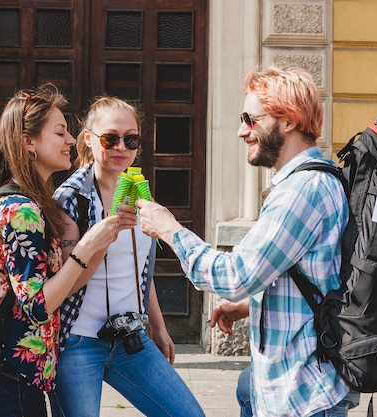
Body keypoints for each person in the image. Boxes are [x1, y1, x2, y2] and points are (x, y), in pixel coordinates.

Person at [136, 66, 360, 417]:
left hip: (301, 397)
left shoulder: (303, 190)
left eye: (250, 119)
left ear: (288, 121)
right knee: (246, 388)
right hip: (293, 389)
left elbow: (235, 277)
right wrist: (249, 305)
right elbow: (311, 273)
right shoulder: (310, 181)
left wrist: (170, 230)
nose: (242, 131)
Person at [0, 84, 136, 417]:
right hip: (6, 376)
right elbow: (37, 307)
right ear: (29, 143)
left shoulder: (31, 205)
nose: (71, 140)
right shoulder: (21, 212)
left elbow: (63, 287)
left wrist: (101, 244)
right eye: (61, 132)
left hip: (13, 374)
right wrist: (86, 246)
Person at [50, 96, 205, 417]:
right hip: (78, 341)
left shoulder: (137, 190)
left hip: (129, 337)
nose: (122, 147)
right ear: (89, 139)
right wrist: (104, 238)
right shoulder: (71, 198)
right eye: (110, 138)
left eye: (131, 139)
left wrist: (159, 328)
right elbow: (65, 285)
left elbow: (139, 270)